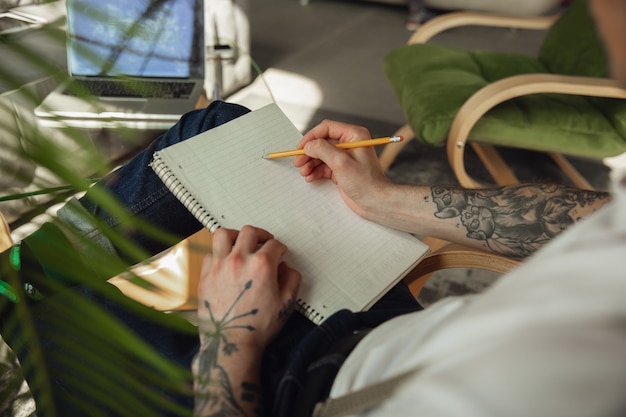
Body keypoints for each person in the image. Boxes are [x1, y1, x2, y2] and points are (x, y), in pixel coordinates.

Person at [0, 1, 624, 416]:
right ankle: (35, 269)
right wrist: (386, 199)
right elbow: (599, 219)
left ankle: (24, 281)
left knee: (31, 306)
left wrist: (231, 337)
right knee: (220, 128)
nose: (602, 17)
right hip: (381, 332)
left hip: (289, 393)